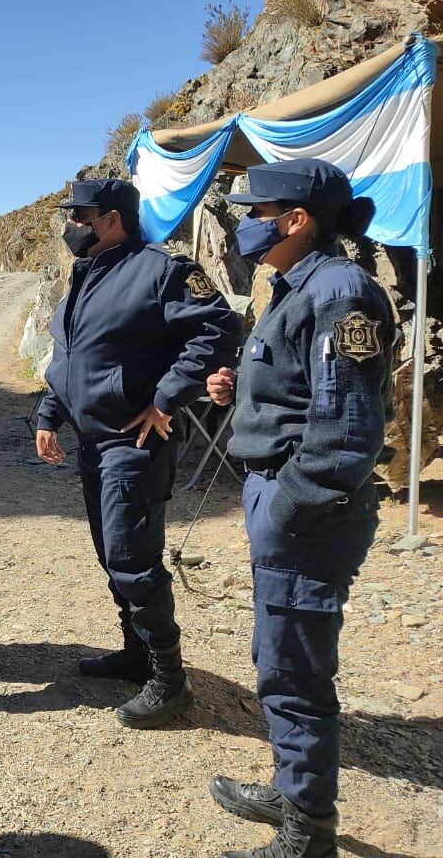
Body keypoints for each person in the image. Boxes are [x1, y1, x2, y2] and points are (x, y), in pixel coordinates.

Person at [206, 159, 392, 858]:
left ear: (297, 220)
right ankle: (294, 788)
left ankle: (308, 831)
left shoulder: (340, 293)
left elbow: (346, 432)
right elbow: (300, 393)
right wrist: (238, 393)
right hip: (283, 494)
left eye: (257, 213)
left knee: (295, 669)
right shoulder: (294, 285)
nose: (247, 224)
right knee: (278, 654)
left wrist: (283, 511)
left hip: (306, 506)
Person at [35, 178, 241, 728]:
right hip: (92, 443)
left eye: (80, 215)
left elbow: (220, 327)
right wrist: (50, 415)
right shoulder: (84, 275)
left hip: (136, 442)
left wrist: (166, 399)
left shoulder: (161, 270)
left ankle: (170, 680)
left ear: (112, 219)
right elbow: (70, 357)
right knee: (111, 554)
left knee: (133, 557)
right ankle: (136, 654)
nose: (70, 225)